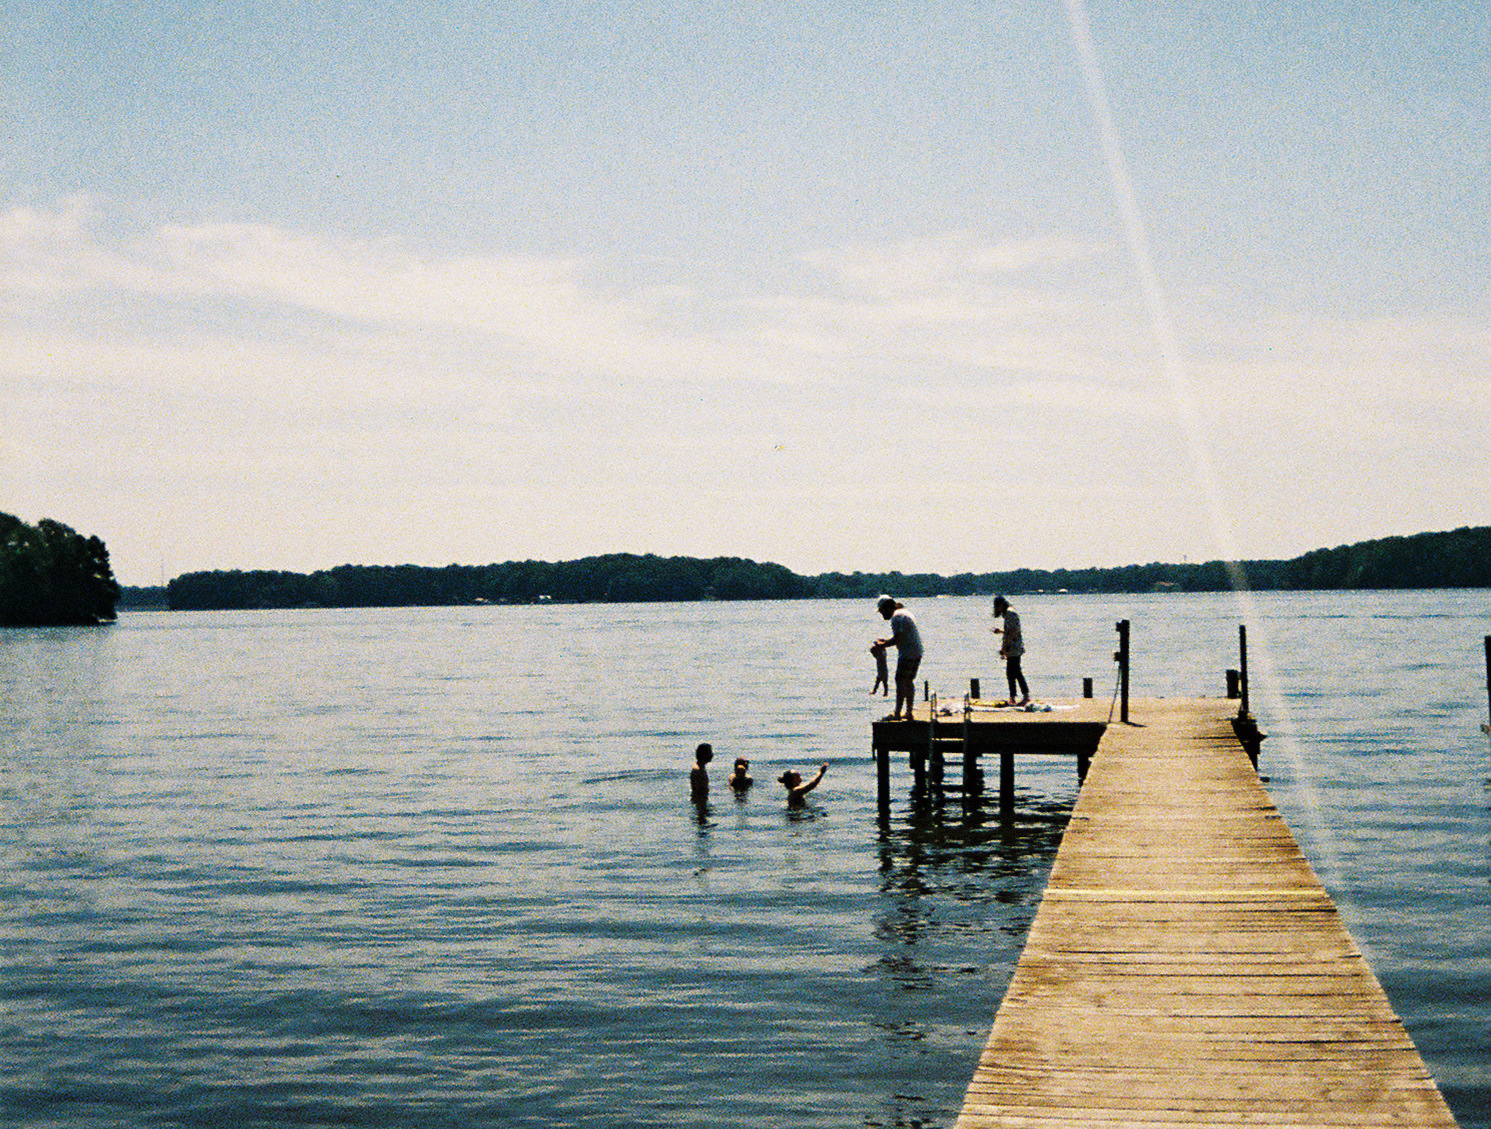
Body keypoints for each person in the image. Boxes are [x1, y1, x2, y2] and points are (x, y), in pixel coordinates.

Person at [874, 595, 924, 720]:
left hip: (908, 653)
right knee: (908, 681)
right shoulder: (903, 613)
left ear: (886, 608)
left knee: (900, 681)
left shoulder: (897, 618)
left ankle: (897, 713)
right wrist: (885, 641)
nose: (882, 615)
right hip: (916, 651)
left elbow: (899, 638)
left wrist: (883, 645)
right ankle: (909, 711)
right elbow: (901, 636)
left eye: (881, 612)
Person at [991, 595, 1031, 706]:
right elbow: (1011, 631)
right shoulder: (1009, 613)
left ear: (1001, 605)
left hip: (1013, 647)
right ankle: (1016, 696)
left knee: (1014, 672)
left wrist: (1004, 648)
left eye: (996, 607)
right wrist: (1001, 631)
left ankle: (1021, 696)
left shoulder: (1010, 614)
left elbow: (1013, 632)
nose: (996, 609)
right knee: (1013, 672)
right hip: (1014, 646)